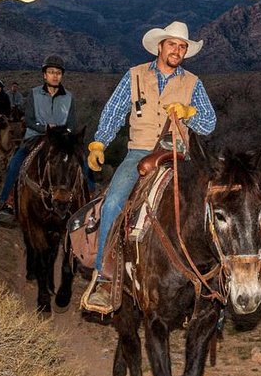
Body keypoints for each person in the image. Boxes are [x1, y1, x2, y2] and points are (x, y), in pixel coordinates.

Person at [83, 21, 216, 311]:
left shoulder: (193, 83)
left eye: (182, 47)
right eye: (172, 44)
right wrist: (99, 143)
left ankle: (216, 282)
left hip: (180, 155)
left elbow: (209, 124)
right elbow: (114, 113)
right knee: (114, 202)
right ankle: (105, 278)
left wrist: (189, 113)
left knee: (214, 208)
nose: (177, 50)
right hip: (139, 153)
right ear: (160, 46)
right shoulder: (134, 76)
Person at [0, 55, 80, 226]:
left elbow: (72, 123)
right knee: (15, 165)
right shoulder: (34, 93)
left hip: (61, 139)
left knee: (82, 164)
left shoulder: (69, 97)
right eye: (50, 72)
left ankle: (86, 203)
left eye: (58, 73)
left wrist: (62, 133)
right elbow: (30, 119)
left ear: (61, 75)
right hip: (36, 136)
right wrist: (46, 129)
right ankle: (8, 203)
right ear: (44, 75)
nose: (54, 76)